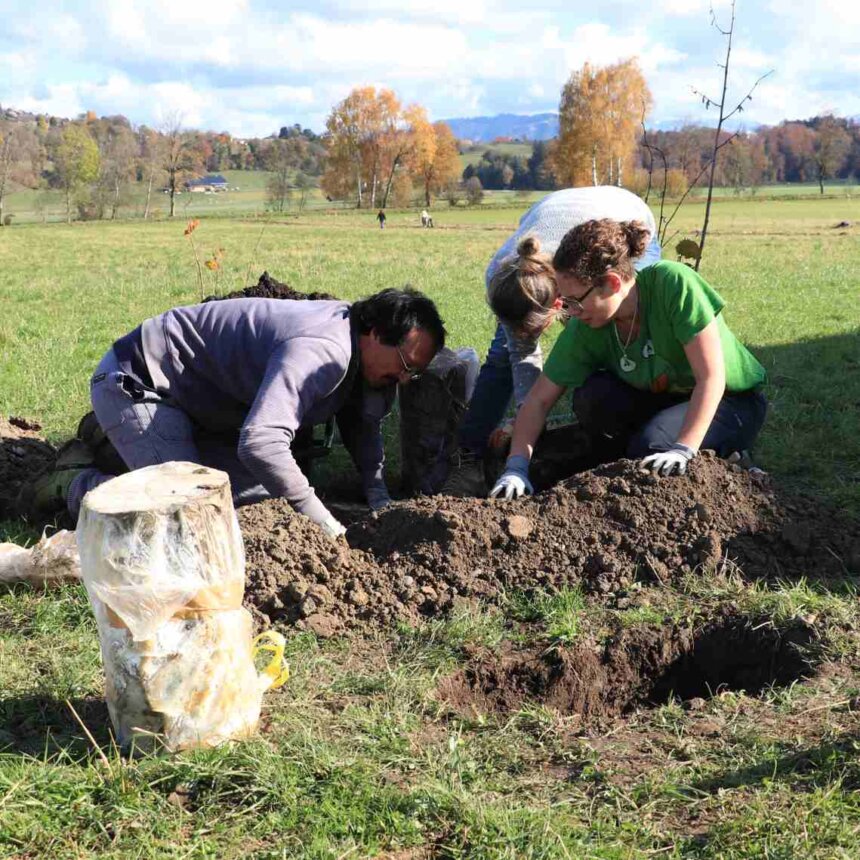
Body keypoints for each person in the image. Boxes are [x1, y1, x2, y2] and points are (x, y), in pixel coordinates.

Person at [21, 288, 445, 537]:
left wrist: (378, 496)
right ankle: (75, 484)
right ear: (375, 333)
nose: (404, 379)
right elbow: (261, 442)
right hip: (142, 382)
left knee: (255, 506)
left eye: (414, 374)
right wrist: (327, 526)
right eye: (404, 365)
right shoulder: (324, 349)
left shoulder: (363, 359)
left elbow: (362, 424)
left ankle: (125, 446)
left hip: (204, 407)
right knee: (187, 520)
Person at [489, 219, 767, 500]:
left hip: (729, 402)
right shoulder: (587, 325)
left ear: (611, 283)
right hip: (662, 401)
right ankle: (629, 453)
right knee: (594, 397)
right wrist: (516, 468)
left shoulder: (671, 284)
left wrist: (683, 449)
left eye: (575, 301)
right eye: (566, 302)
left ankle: (729, 459)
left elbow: (711, 378)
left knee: (652, 450)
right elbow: (538, 400)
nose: (571, 312)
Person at [442, 186, 661, 496]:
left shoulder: (578, 273)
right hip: (555, 212)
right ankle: (470, 459)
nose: (526, 339)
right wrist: (527, 424)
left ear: (559, 304)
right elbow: (522, 358)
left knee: (614, 334)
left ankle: (623, 438)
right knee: (503, 355)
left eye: (533, 331)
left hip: (626, 215)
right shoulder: (504, 276)